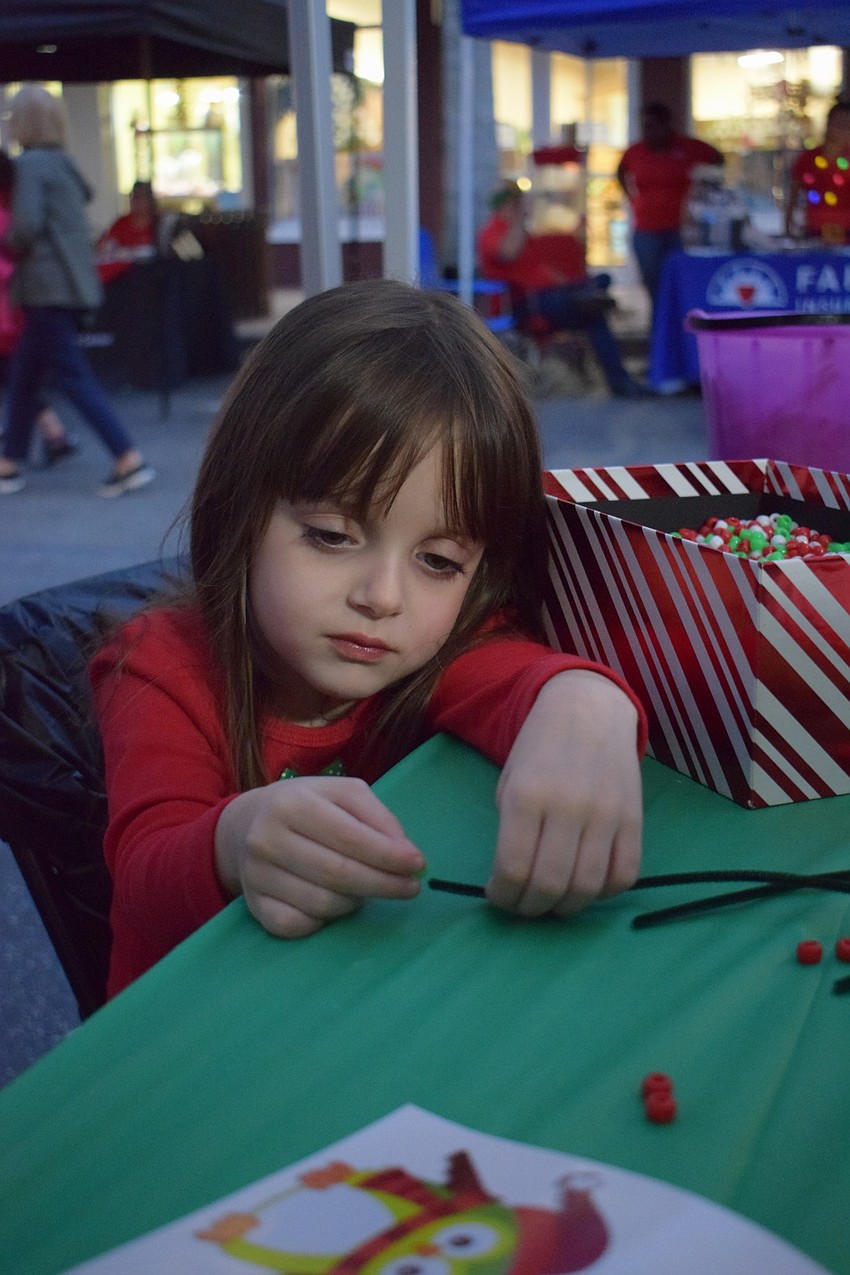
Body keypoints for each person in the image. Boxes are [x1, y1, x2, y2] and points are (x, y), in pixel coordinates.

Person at [90, 279, 647, 998]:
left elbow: (516, 674)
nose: (382, 597)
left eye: (439, 561)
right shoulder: (158, 665)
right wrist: (233, 843)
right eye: (330, 535)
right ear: (238, 509)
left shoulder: (436, 646)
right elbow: (143, 877)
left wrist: (588, 703)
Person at [0, 86, 155, 497]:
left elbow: (27, 227)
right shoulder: (63, 164)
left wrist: (9, 239)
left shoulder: (30, 166)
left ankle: (127, 456)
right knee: (24, 378)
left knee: (70, 376)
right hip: (67, 284)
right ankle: (9, 463)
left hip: (45, 287)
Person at [477, 182, 651, 398]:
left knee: (599, 288)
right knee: (591, 309)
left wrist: (558, 279)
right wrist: (518, 218)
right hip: (528, 305)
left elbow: (536, 267)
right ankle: (619, 381)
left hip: (551, 296)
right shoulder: (492, 232)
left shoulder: (520, 232)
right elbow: (508, 253)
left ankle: (589, 298)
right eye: (515, 203)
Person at [0, 148, 77, 467]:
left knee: (21, 377)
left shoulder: (9, 215)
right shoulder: (12, 209)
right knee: (18, 378)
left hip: (10, 310)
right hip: (15, 310)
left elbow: (8, 262)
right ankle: (49, 434)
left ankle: (26, 448)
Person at [617, 101, 724, 313]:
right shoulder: (636, 152)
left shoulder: (686, 147)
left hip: (680, 231)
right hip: (646, 230)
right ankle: (658, 333)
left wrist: (707, 186)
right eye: (646, 127)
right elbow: (621, 171)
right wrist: (631, 196)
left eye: (654, 126)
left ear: (667, 125)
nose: (650, 132)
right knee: (654, 286)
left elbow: (717, 158)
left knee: (681, 284)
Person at [784, 100, 850, 244]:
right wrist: (788, 230)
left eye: (847, 125)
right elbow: (792, 196)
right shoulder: (808, 158)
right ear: (828, 125)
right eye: (839, 124)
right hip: (814, 233)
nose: (843, 130)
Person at [96, 179, 159, 284]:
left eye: (140, 197)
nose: (136, 201)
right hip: (122, 278)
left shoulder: (159, 223)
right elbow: (104, 247)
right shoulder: (121, 222)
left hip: (149, 277)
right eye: (133, 197)